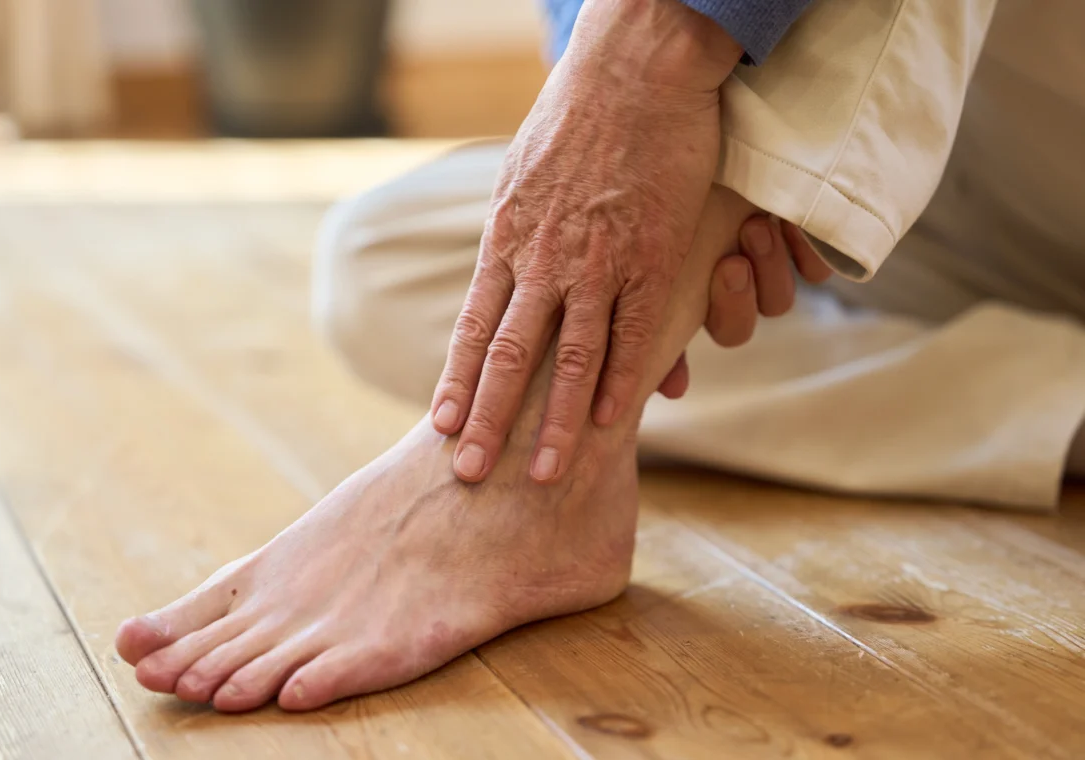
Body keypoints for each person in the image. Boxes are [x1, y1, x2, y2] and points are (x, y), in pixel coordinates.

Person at [115, 0, 1085, 713]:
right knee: (383, 260)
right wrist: (719, 189)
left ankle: (533, 460)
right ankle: (1063, 407)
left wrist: (649, 58)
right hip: (961, 182)